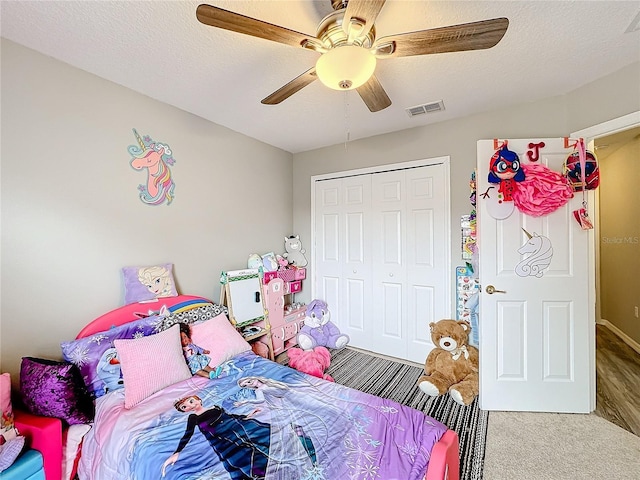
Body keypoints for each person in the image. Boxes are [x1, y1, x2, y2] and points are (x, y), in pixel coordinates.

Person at [161, 395, 270, 479]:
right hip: (222, 441)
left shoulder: (215, 407)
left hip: (235, 430)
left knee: (258, 439)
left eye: (191, 401)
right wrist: (177, 452)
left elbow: (230, 417)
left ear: (198, 400)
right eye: (184, 407)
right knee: (241, 458)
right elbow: (187, 434)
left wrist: (247, 415)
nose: (190, 405)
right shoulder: (193, 417)